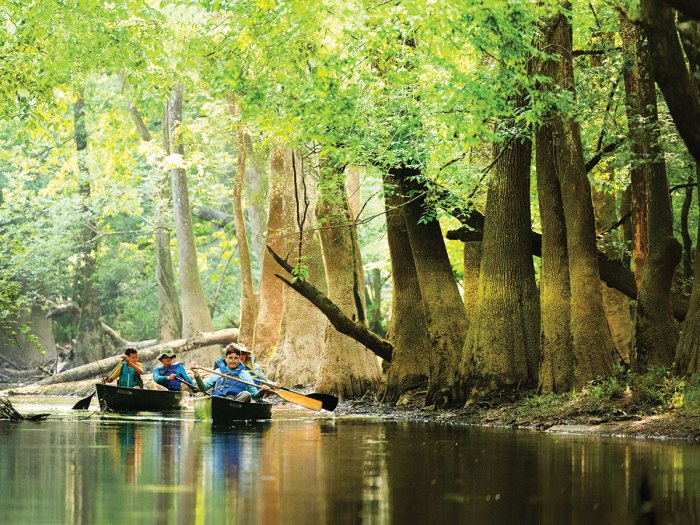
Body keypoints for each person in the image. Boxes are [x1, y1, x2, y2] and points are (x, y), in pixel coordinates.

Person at [193, 346, 269, 402]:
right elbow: (203, 388)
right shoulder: (218, 372)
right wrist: (196, 374)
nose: (233, 360)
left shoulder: (245, 374)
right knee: (211, 397)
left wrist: (262, 391)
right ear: (226, 359)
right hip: (219, 402)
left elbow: (255, 397)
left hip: (238, 404)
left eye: (236, 358)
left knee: (247, 394)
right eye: (230, 358)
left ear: (239, 359)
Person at [214, 343, 280, 389]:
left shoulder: (255, 367)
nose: (241, 356)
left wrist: (273, 384)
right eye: (240, 354)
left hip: (250, 392)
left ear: (246, 355)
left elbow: (264, 380)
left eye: (243, 353)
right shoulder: (227, 367)